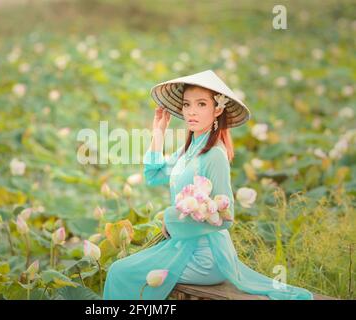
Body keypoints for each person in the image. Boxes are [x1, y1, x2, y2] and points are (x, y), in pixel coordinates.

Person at [103, 70, 313, 300]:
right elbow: (153, 175)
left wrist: (171, 218)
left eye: (201, 104)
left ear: (218, 110)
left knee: (121, 272)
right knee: (120, 270)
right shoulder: (188, 150)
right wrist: (158, 132)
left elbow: (227, 215)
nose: (191, 111)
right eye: (186, 104)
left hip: (205, 257)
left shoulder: (214, 155)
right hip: (181, 247)